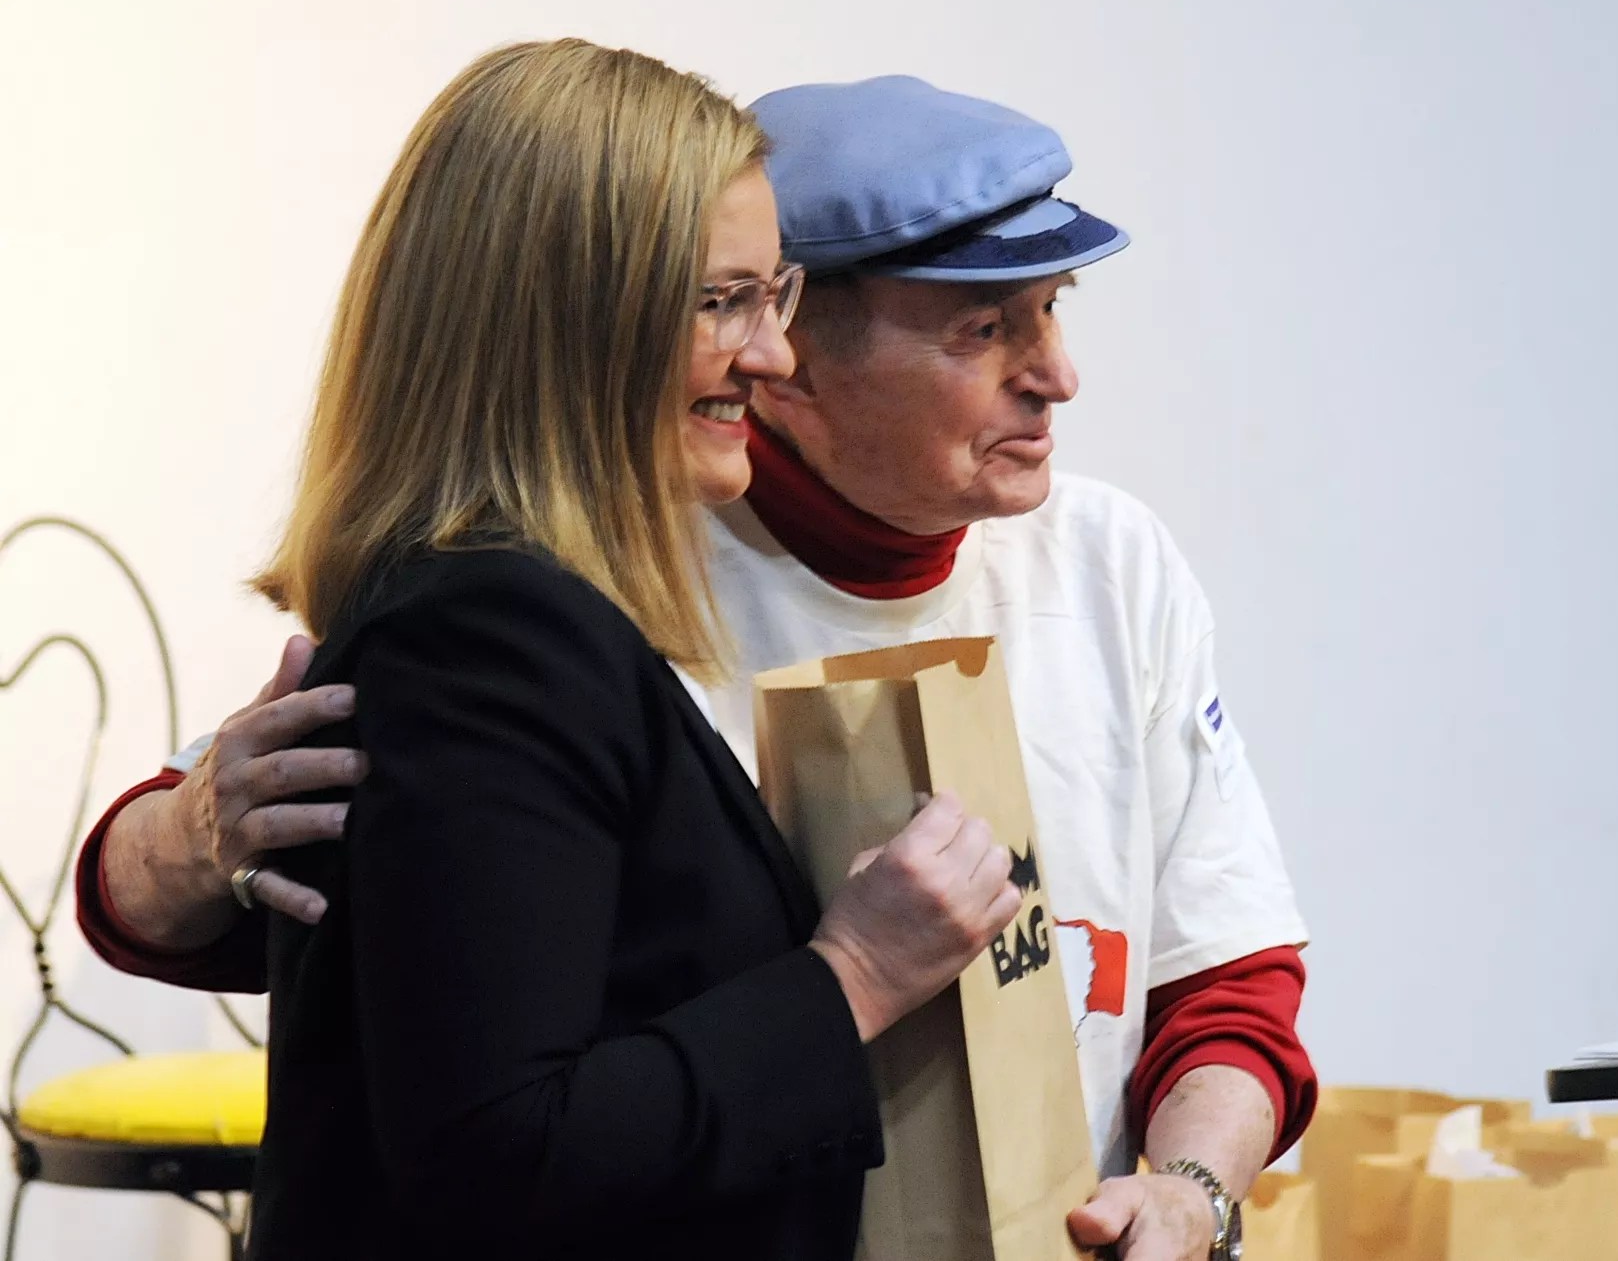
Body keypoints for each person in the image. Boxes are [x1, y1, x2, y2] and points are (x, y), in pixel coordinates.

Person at [79, 75, 1313, 1259]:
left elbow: (1226, 971)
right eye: (982, 330)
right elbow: (407, 1010)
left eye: (1051, 310)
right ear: (802, 354)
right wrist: (190, 835)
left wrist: (1191, 1193)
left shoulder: (1110, 563)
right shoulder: (560, 595)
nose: (1055, 378)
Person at [190, 40, 1024, 1260]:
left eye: (776, 295)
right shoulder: (490, 638)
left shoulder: (501, 615)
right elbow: (498, 1151)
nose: (772, 355)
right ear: (567, 322)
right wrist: (854, 973)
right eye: (723, 301)